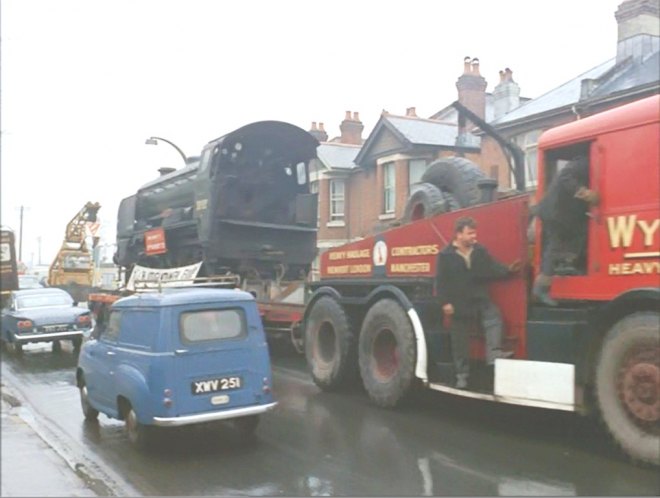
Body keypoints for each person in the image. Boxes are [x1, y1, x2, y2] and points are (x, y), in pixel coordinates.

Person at [435, 216, 521, 389]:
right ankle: (462, 376)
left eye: (474, 233)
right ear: (459, 234)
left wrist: (508, 270)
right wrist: (445, 303)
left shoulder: (480, 251)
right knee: (460, 342)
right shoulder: (445, 256)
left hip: (479, 299)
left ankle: (493, 355)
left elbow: (492, 267)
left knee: (494, 316)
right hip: (458, 304)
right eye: (470, 233)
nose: (474, 237)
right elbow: (441, 281)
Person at [532, 156, 599, 306]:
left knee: (581, 232)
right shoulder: (584, 163)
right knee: (556, 243)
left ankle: (568, 264)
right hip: (555, 210)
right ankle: (541, 286)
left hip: (562, 212)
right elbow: (565, 175)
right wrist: (584, 192)